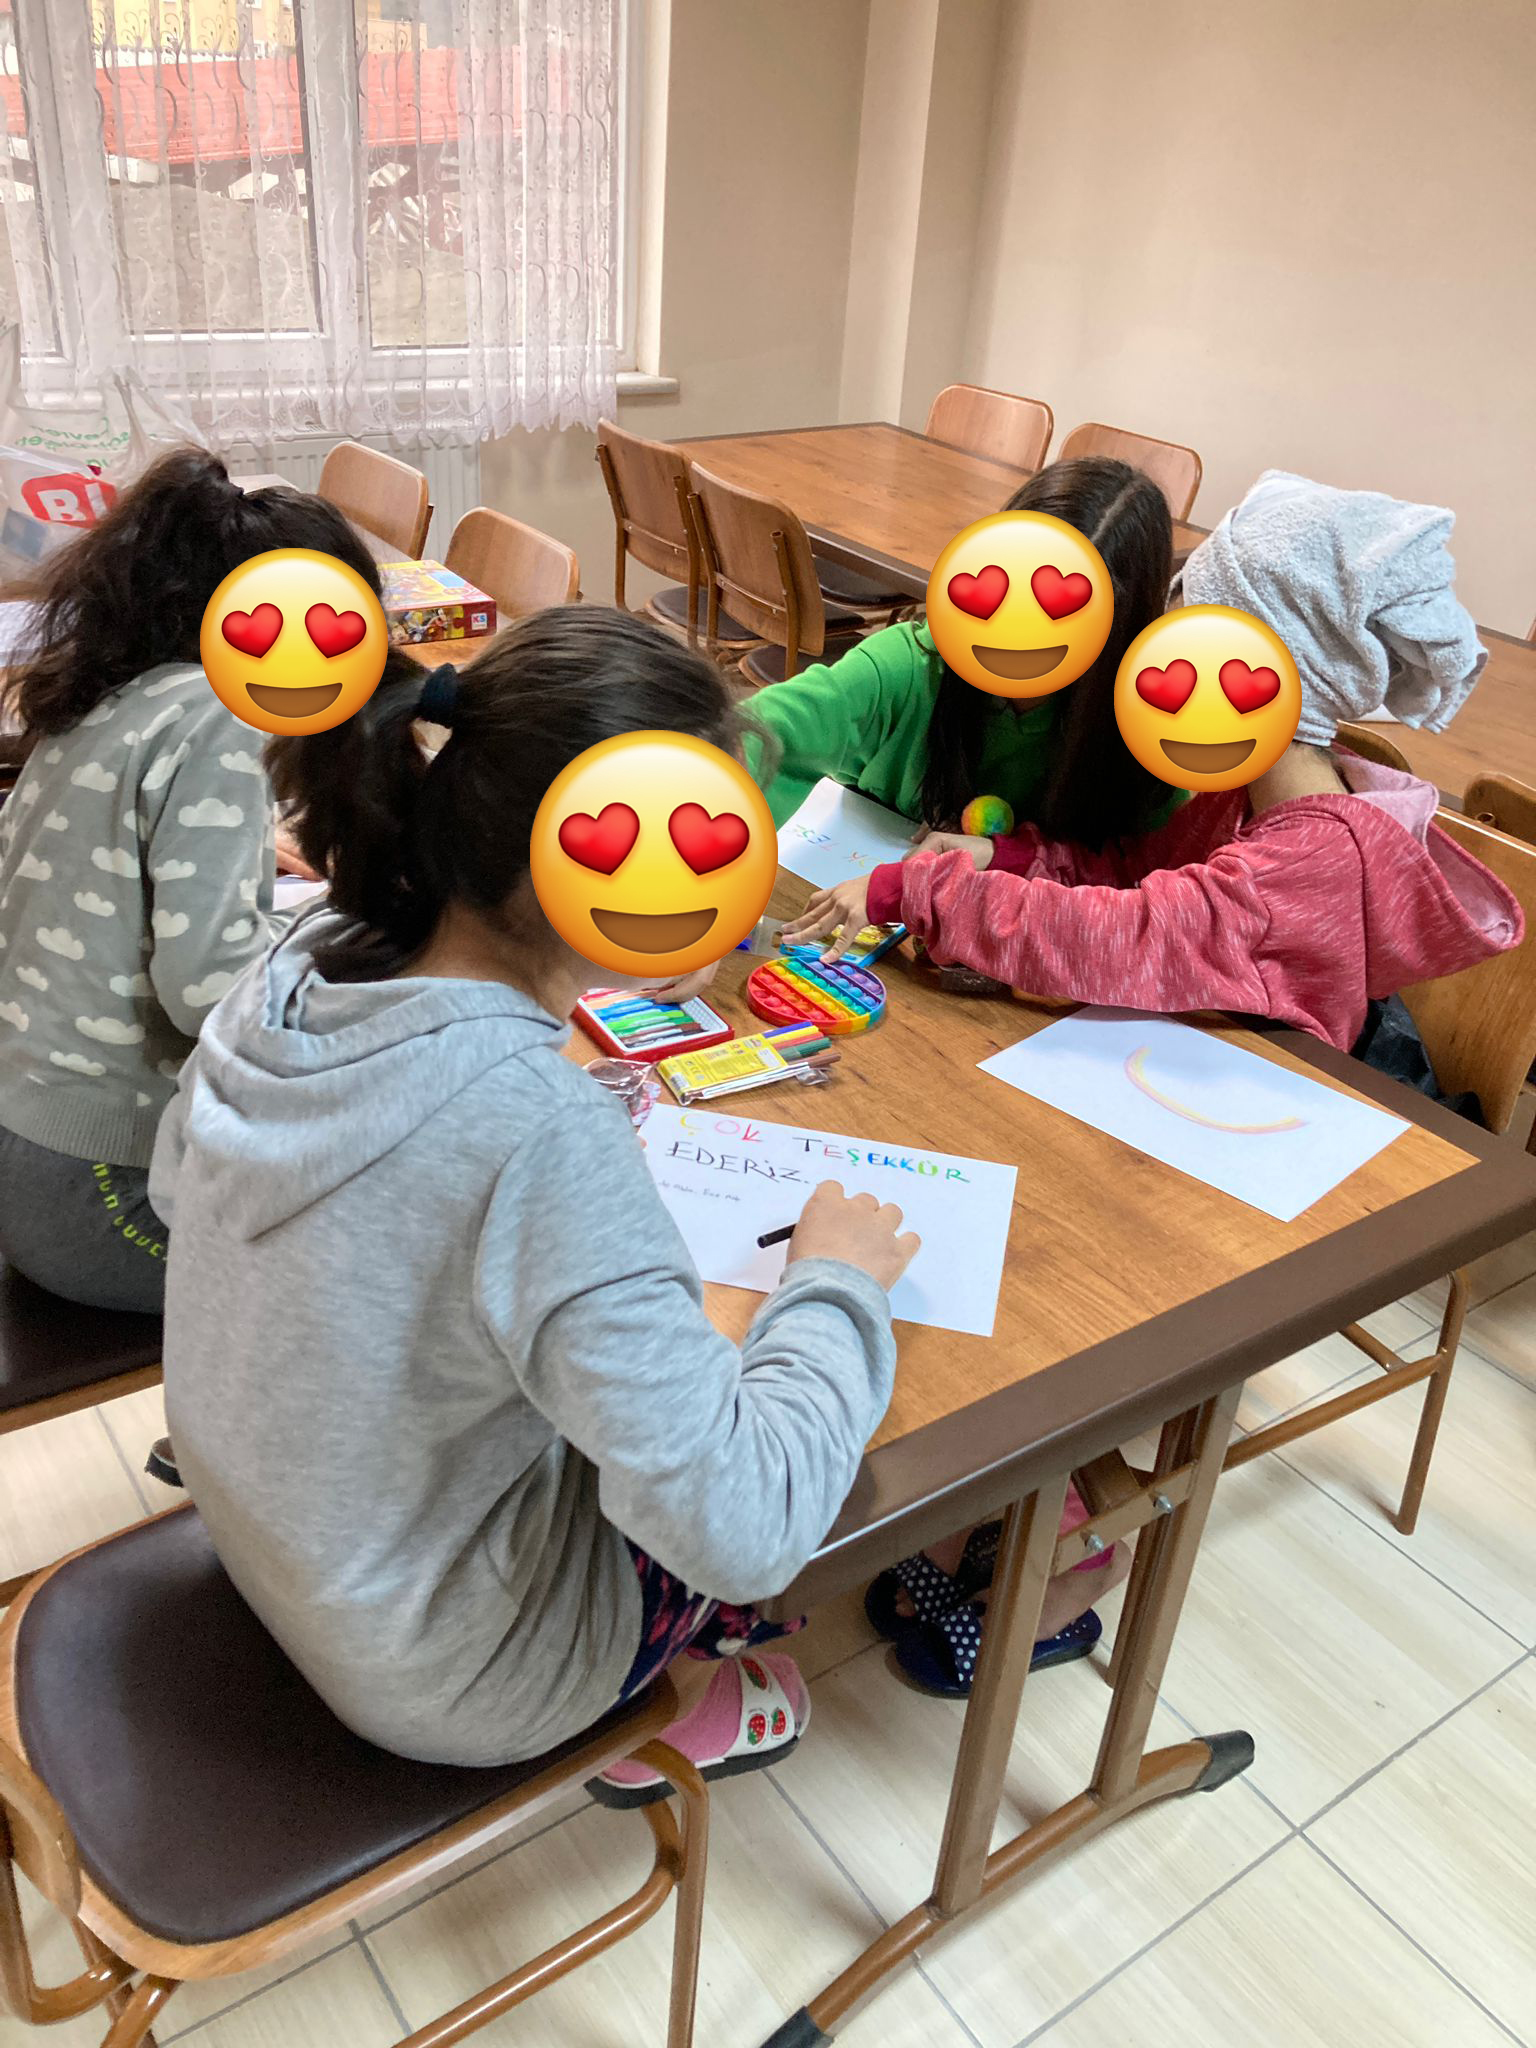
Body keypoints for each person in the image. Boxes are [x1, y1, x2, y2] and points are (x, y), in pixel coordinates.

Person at [148, 607, 920, 1791]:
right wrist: (833, 1285)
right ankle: (688, 1699)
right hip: (457, 1667)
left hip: (285, 1538)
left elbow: (180, 1187)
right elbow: (747, 1525)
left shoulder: (301, 962)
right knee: (798, 1462)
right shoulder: (538, 1131)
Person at [0, 447, 398, 1315]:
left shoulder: (107, 695)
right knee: (404, 1241)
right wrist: (338, 947)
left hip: (30, 1149)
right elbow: (208, 991)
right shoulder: (219, 717)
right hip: (110, 1190)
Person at [749, 456, 1180, 849]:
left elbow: (1156, 874)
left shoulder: (1147, 733)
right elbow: (767, 728)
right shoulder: (912, 666)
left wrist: (1006, 857)